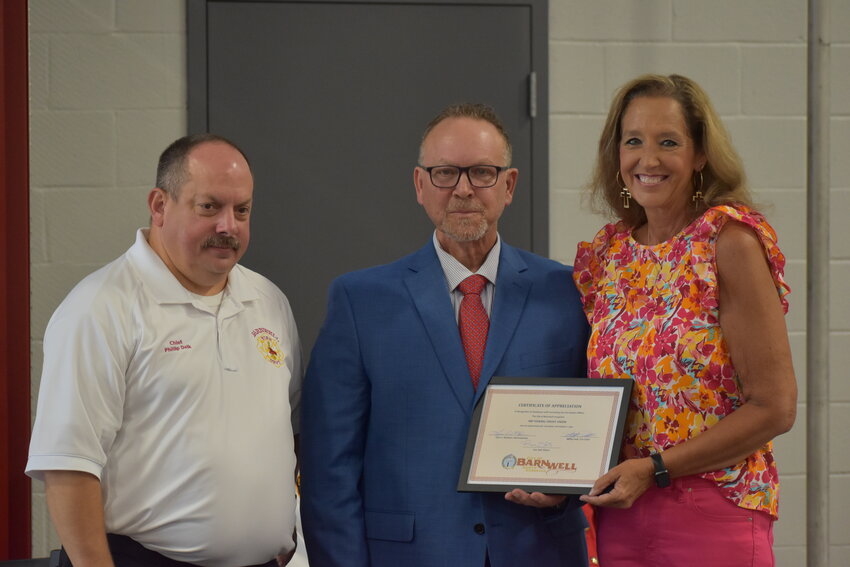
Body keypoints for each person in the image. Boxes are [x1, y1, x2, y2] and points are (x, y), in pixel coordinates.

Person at [299, 103, 591, 567]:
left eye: (481, 172)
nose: (463, 189)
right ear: (420, 185)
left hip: (539, 551)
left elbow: (597, 432)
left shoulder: (567, 292)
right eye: (444, 173)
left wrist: (567, 489)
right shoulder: (360, 301)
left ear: (509, 185)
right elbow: (327, 468)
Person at [26, 134, 303, 567]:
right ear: (159, 206)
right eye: (209, 206)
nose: (228, 226)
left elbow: (289, 434)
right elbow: (68, 468)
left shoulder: (268, 301)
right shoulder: (101, 307)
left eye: (242, 210)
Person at [573, 74, 797, 566]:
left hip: (713, 511)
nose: (647, 160)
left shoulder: (728, 242)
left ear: (699, 155)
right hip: (619, 517)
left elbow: (774, 407)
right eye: (633, 141)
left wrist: (655, 469)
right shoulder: (609, 256)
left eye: (667, 142)